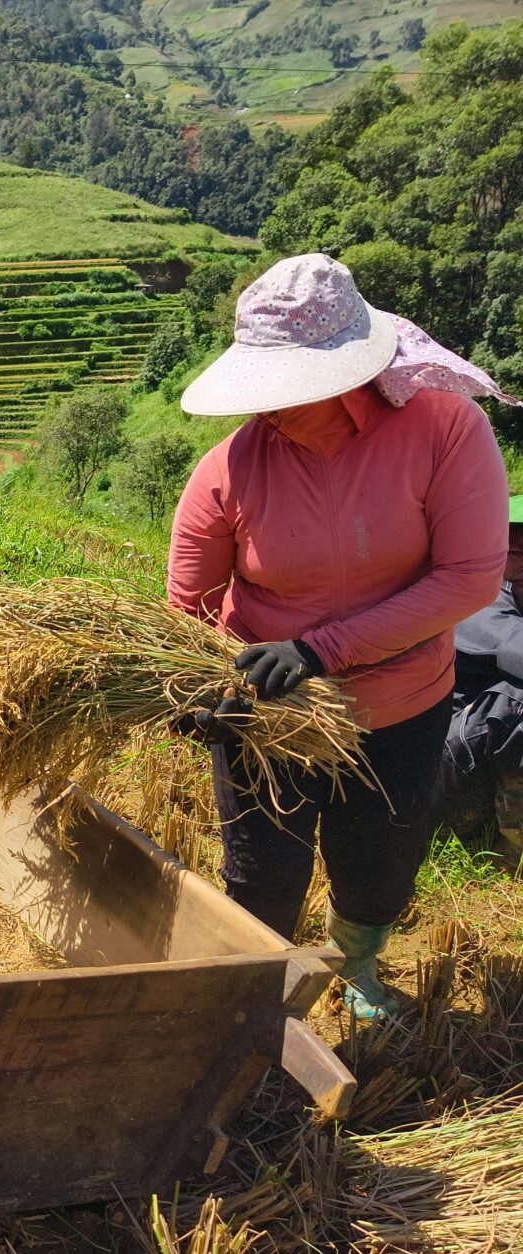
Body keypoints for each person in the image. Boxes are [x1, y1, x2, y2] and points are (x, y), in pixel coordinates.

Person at [169, 252, 513, 1022]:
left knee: (380, 862)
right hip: (271, 716)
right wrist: (196, 690)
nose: (265, 407)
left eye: (283, 387)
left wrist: (322, 651)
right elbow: (185, 610)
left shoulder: (445, 431)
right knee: (262, 876)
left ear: (341, 376)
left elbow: (469, 579)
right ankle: (253, 1004)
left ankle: (355, 963)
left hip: (400, 706)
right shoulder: (228, 470)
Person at [442, 496, 523, 857]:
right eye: (516, 552)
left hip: (484, 763)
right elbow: (515, 647)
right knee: (516, 699)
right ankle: (512, 847)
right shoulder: (478, 597)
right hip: (447, 770)